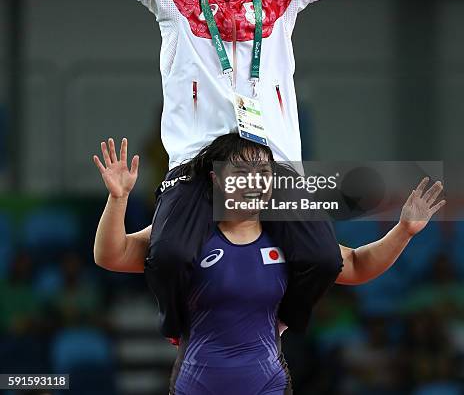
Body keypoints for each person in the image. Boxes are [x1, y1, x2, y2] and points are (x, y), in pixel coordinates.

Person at [12, 0, 440, 338]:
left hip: (272, 161)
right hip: (196, 164)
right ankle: (180, 324)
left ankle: (281, 321)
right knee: (170, 255)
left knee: (322, 258)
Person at [93, 135, 445, 395]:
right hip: (194, 386)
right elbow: (111, 255)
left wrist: (404, 231)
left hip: (269, 386)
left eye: (262, 171)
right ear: (216, 179)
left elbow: (356, 265)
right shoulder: (186, 239)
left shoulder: (286, 242)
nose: (253, 179)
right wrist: (118, 198)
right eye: (240, 170)